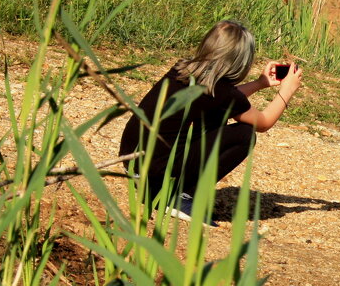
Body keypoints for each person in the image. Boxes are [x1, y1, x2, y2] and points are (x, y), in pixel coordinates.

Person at [118, 20, 303, 226]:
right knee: (244, 135)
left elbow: (224, 101)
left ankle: (163, 190)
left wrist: (260, 84)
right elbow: (263, 122)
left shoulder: (182, 70)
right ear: (240, 61)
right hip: (155, 171)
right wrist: (287, 91)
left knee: (214, 115)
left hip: (134, 164)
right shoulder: (221, 93)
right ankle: (180, 197)